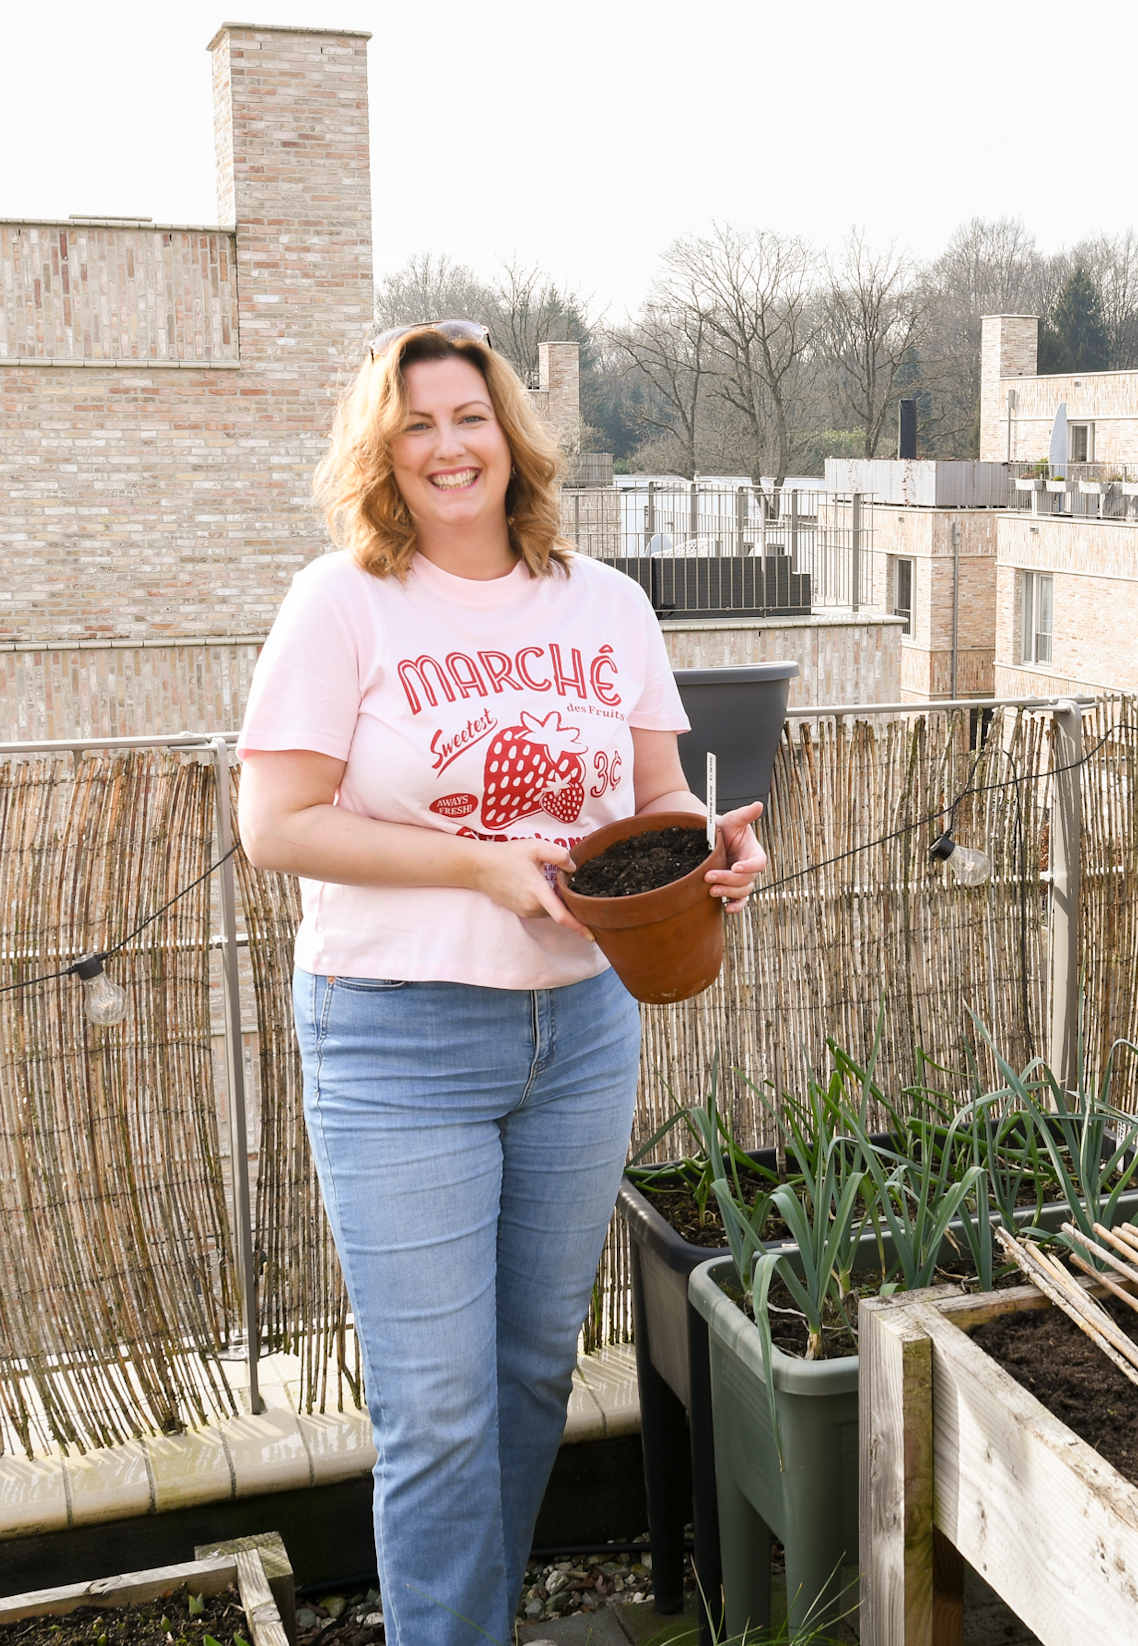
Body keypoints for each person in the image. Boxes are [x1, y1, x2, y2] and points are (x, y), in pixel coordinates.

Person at [234, 320, 765, 1645]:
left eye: (467, 416)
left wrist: (714, 852)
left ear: (510, 435)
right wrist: (476, 869)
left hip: (578, 1032)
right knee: (439, 1408)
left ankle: (477, 1621)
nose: (447, 444)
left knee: (531, 1376)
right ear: (384, 452)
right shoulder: (343, 601)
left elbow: (651, 802)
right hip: (397, 1040)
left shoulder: (607, 603)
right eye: (415, 425)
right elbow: (276, 823)